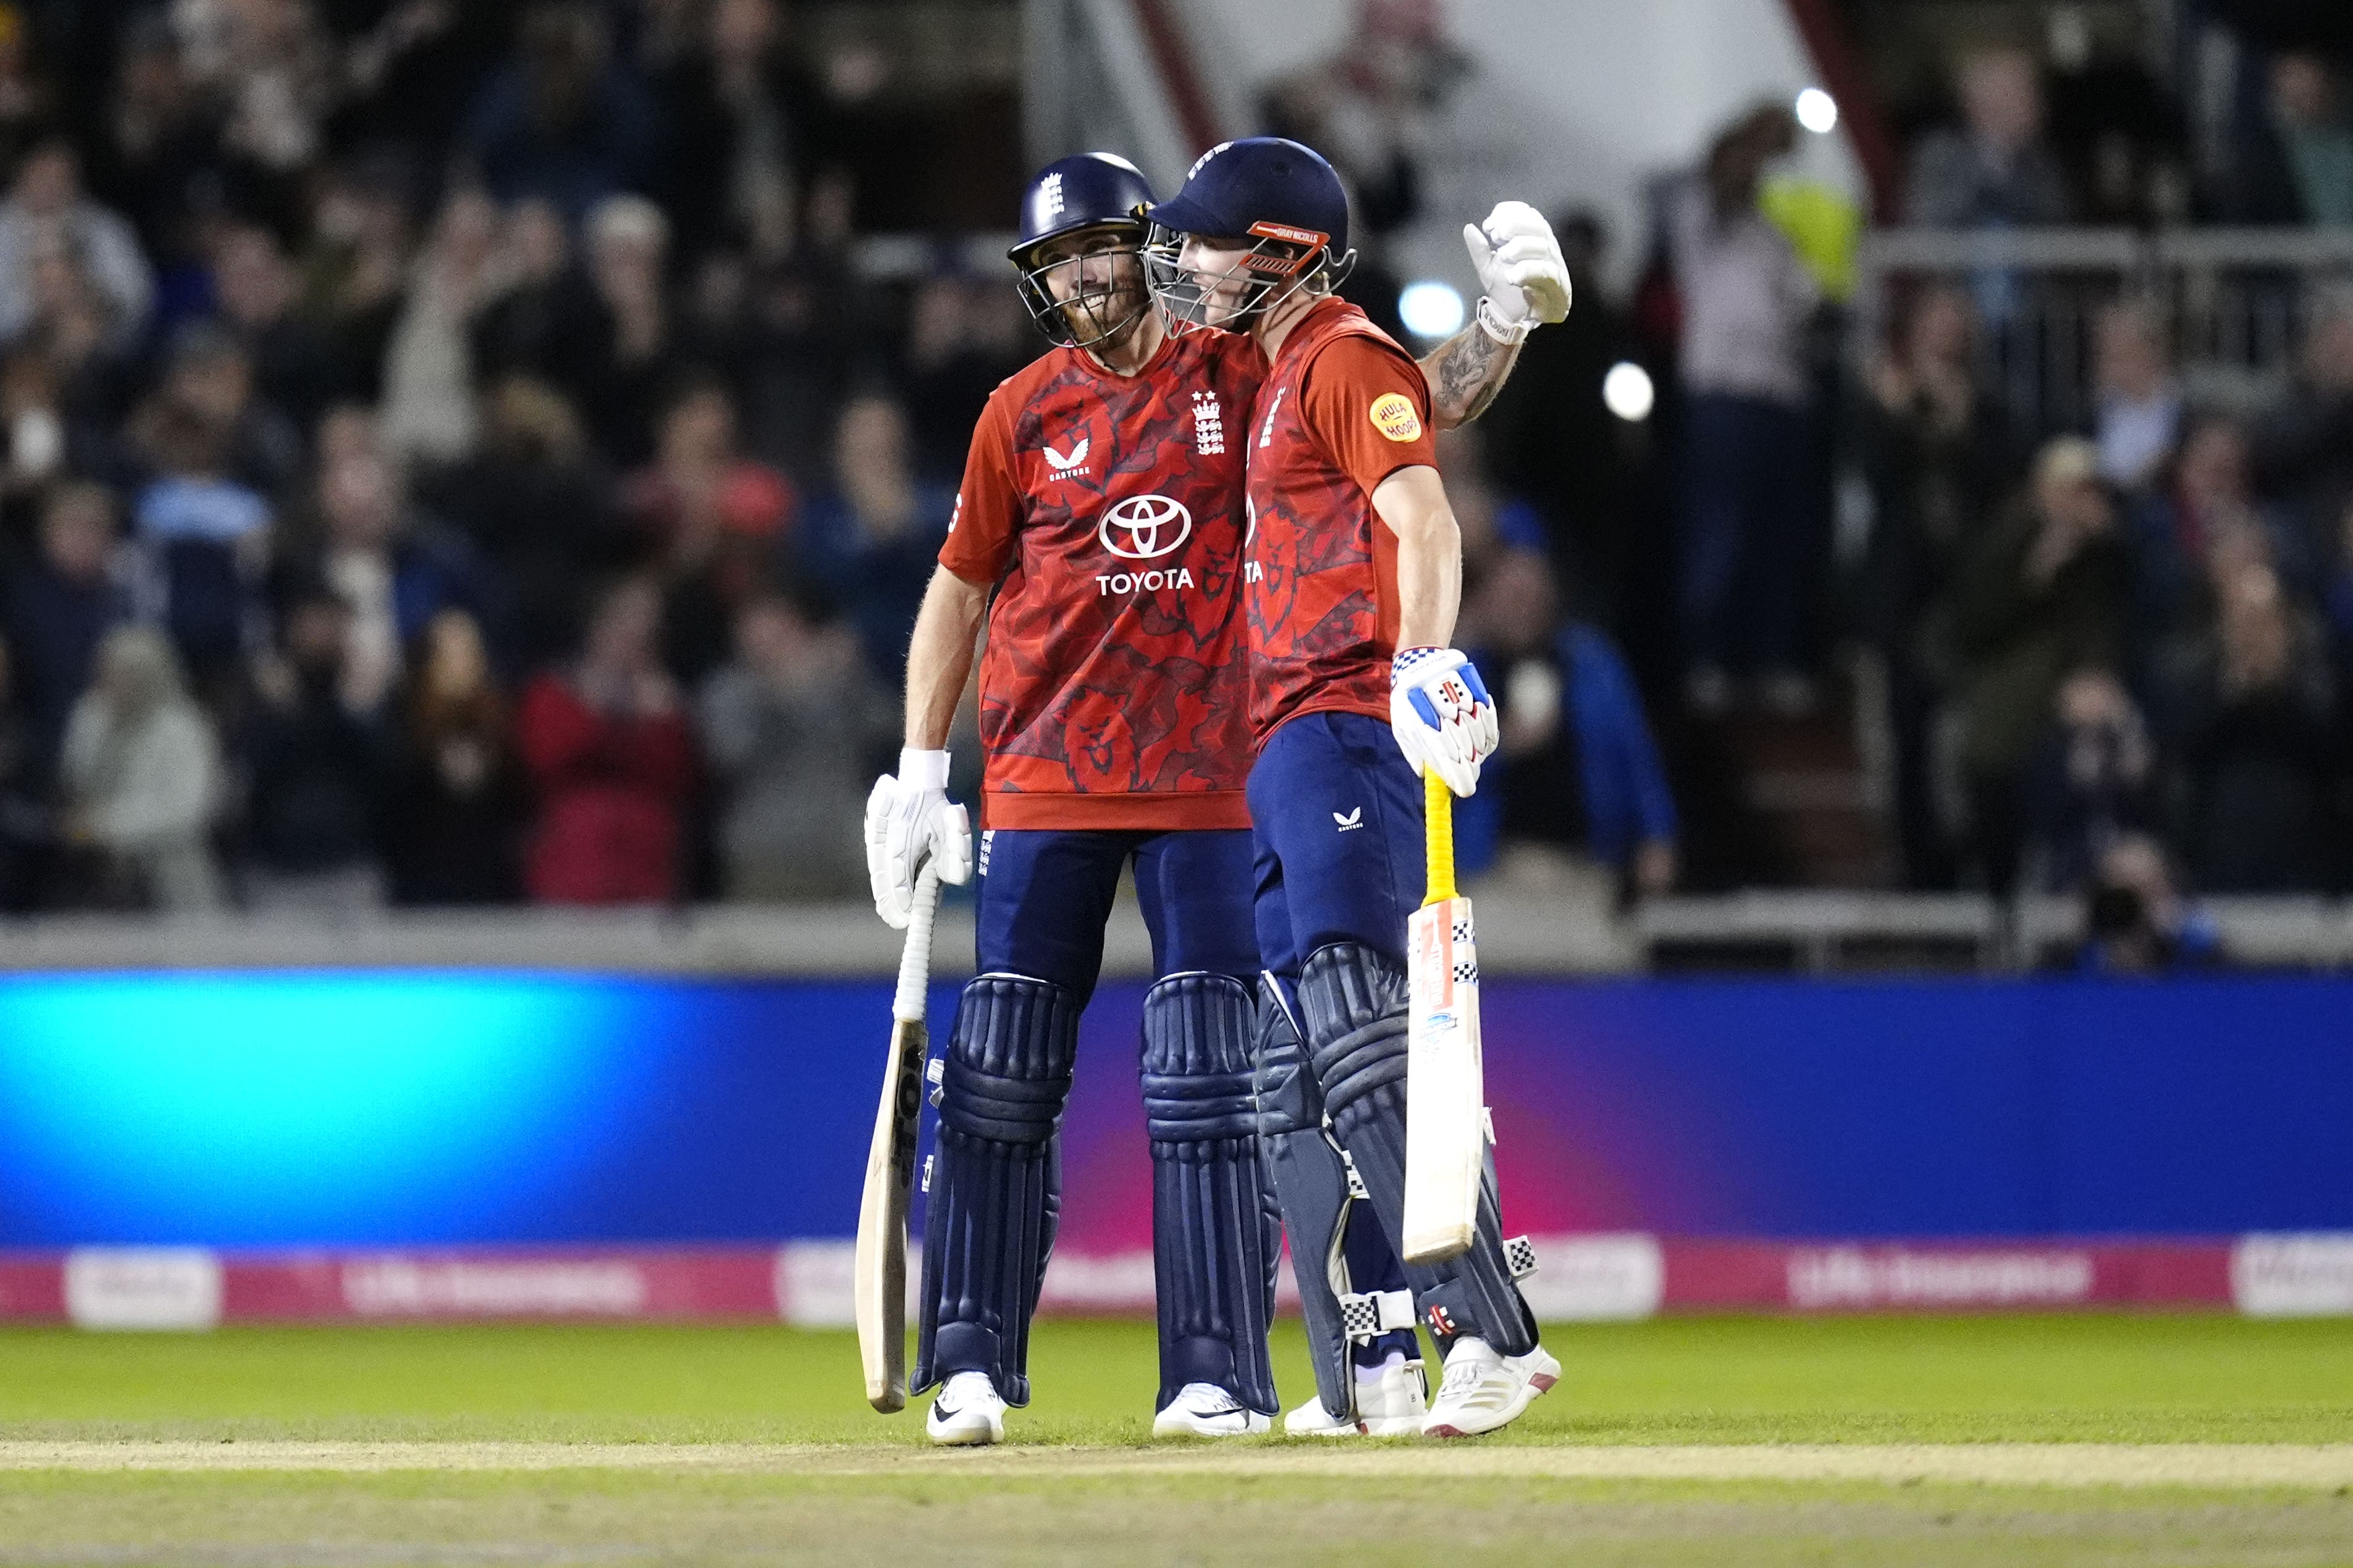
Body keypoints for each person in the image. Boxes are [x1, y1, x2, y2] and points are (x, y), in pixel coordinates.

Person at [864, 150, 1556, 1446]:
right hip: (1046, 774)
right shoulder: (1017, 411)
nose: (1084, 279)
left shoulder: (1246, 361)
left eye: (1101, 250)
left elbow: (1409, 408)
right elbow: (957, 586)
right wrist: (917, 764)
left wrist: (1502, 324)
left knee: (1212, 1072)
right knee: (1000, 1070)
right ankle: (966, 1363)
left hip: (1219, 772)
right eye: (1057, 262)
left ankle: (1218, 1372)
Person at [1146, 136, 1563, 1438]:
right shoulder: (1288, 367)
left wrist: (1424, 662)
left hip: (1342, 719)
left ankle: (1492, 1333)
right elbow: (1423, 401)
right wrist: (1498, 328)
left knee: (1358, 1029)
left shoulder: (1334, 352)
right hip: (1279, 736)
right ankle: (1367, 1369)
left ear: (1277, 253)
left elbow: (1423, 516)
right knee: (1295, 1065)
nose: (1187, 261)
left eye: (1208, 241)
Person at [515, 576, 696, 904]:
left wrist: (660, 720)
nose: (634, 635)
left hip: (646, 870)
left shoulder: (665, 697)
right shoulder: (556, 690)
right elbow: (548, 762)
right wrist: (594, 712)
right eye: (624, 622)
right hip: (574, 867)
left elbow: (677, 778)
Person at [56, 624, 221, 910]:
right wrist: (80, 824)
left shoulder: (183, 727)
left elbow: (186, 811)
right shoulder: (91, 716)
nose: (109, 683)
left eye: (121, 674)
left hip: (170, 875)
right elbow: (75, 783)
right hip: (97, 874)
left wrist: (102, 827)